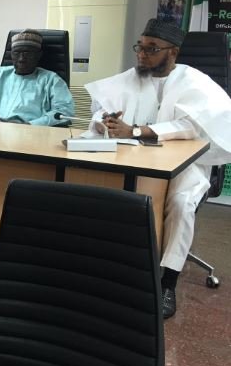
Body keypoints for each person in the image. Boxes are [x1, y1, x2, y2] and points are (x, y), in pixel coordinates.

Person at [84, 18, 231, 318]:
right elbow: (99, 109)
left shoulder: (195, 81)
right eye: (140, 46)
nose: (142, 54)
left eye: (152, 49)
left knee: (180, 203)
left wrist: (136, 131)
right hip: (133, 157)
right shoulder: (131, 77)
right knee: (100, 189)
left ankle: (168, 282)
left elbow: (191, 127)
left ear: (172, 52)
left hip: (185, 162)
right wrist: (106, 120)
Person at [0, 29, 74, 125]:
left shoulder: (52, 80)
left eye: (27, 53)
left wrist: (30, 125)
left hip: (30, 136)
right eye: (17, 53)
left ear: (39, 55)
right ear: (11, 54)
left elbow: (64, 113)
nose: (21, 59)